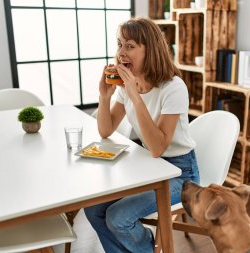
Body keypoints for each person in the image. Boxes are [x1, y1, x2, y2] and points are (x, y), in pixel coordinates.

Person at [84, 17, 200, 253]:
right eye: (119, 44)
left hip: (181, 174)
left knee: (118, 218)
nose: (121, 53)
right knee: (93, 209)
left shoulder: (173, 87)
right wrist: (104, 96)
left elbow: (158, 147)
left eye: (130, 46)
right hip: (151, 168)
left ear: (151, 50)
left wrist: (135, 97)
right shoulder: (128, 86)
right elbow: (106, 130)